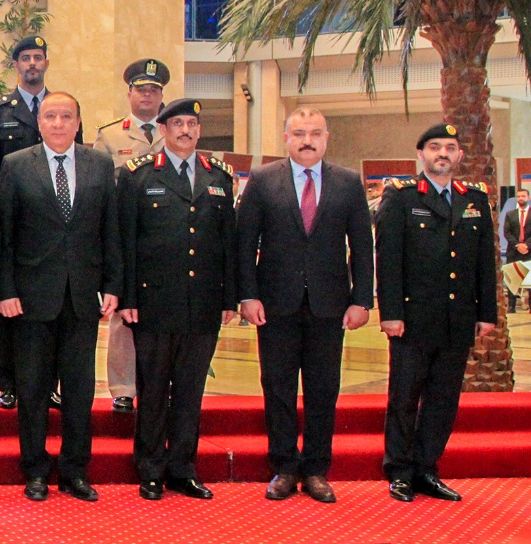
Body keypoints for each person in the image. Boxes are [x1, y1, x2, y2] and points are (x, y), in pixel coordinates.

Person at [235, 107, 374, 504]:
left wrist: (362, 298)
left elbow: (362, 247)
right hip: (275, 303)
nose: (307, 139)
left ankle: (315, 469)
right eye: (299, 133)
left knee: (322, 390)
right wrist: (247, 295)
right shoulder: (263, 180)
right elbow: (245, 242)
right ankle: (283, 467)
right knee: (277, 388)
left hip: (330, 305)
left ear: (327, 137)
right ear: (286, 138)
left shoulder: (348, 183)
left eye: (314, 133)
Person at [0, 92, 120, 503]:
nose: (59, 123)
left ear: (78, 121)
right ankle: (35, 470)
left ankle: (75, 471)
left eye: (67, 116)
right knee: (32, 389)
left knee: (80, 390)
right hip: (31, 298)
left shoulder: (99, 164)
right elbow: (4, 237)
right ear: (40, 122)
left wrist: (114, 286)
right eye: (51, 116)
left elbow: (111, 232)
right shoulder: (16, 165)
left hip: (84, 298)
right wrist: (6, 290)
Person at [115, 98, 234, 501]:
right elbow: (124, 243)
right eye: (177, 123)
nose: (185, 130)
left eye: (192, 124)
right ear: (163, 130)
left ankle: (183, 468)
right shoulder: (137, 175)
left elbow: (227, 244)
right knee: (152, 391)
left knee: (189, 391)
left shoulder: (218, 176)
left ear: (199, 130)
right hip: (153, 302)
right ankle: (149, 469)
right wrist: (127, 295)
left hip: (202, 303)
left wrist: (229, 298)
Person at [375, 123, 497, 503]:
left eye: (449, 147)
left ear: (459, 155)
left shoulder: (473, 199)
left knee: (444, 398)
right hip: (413, 318)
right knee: (405, 396)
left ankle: (428, 468)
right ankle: (399, 470)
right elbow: (389, 260)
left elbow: (484, 264)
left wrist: (487, 312)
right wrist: (390, 312)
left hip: (457, 318)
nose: (442, 153)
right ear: (421, 155)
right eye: (434, 147)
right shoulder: (401, 197)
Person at [0, 35, 76, 409]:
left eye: (38, 57)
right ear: (15, 65)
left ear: (46, 62)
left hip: (55, 224)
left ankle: (48, 383)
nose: (32, 63)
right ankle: (8, 382)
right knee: (9, 303)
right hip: (11, 220)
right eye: (25, 58)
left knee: (51, 311)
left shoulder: (62, 108)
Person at [94, 59, 172, 414]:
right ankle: (124, 387)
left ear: (161, 96)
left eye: (154, 90)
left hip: (166, 240)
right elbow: (98, 189)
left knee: (164, 316)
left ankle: (160, 384)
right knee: (123, 315)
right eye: (141, 89)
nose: (147, 95)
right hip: (126, 237)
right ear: (129, 94)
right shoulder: (110, 136)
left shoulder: (174, 130)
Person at [504, 188, 531, 263]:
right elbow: (507, 232)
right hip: (513, 253)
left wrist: (526, 245)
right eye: (518, 196)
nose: (520, 198)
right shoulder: (510, 214)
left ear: (528, 198)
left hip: (529, 252)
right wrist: (518, 245)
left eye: (523, 196)